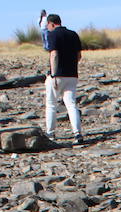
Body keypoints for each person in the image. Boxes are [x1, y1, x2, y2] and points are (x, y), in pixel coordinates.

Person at [44, 14, 84, 143]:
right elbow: (79, 56)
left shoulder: (53, 35)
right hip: (72, 74)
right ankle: (77, 133)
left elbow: (54, 54)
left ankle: (50, 133)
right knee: (71, 104)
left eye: (47, 25)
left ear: (52, 23)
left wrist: (54, 74)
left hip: (58, 74)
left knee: (51, 104)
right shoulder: (73, 34)